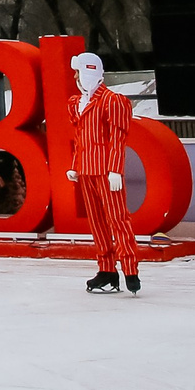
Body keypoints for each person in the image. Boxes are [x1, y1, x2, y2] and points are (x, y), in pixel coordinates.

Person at [65, 52, 141, 295]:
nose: (75, 77)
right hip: (87, 170)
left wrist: (115, 169)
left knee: (117, 219)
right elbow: (79, 139)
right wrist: (75, 165)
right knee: (97, 223)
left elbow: (117, 139)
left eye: (78, 72)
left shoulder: (112, 101)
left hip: (106, 171)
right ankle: (107, 268)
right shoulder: (78, 103)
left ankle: (130, 268)